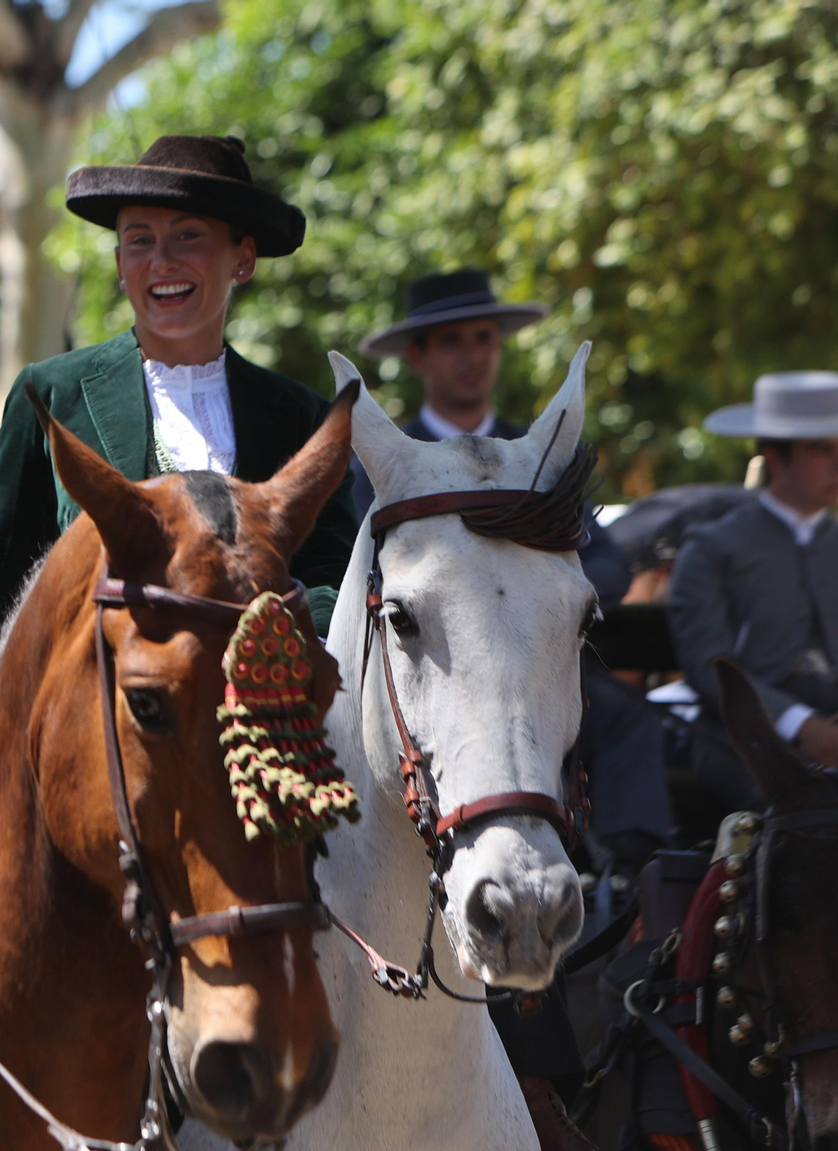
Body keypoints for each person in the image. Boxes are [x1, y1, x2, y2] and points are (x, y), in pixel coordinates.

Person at [357, 270, 661, 1151]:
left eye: (483, 339)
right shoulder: (388, 459)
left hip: (538, 658)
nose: (471, 355)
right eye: (452, 341)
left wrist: (545, 575)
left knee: (633, 722)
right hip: (433, 676)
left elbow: (604, 562)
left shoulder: (539, 454)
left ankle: (631, 885)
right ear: (419, 357)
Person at [0, 135, 358, 673]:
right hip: (94, 705)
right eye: (140, 241)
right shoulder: (53, 393)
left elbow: (331, 576)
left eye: (188, 236)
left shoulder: (303, 416)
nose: (162, 261)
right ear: (120, 264)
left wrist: (283, 643)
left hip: (262, 699)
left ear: (243, 258)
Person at [668, 371, 838, 809]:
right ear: (775, 457)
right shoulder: (712, 548)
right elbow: (708, 663)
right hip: (744, 740)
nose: (837, 463)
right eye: (821, 449)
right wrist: (798, 723)